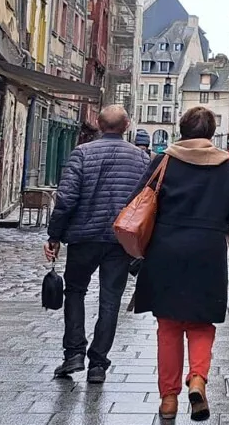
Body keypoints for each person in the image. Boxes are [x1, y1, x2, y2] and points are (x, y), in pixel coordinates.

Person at [131, 107, 229, 421]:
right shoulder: (225, 167)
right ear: (210, 133)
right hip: (207, 253)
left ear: (181, 130)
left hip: (166, 252)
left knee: (168, 326)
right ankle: (197, 379)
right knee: (200, 324)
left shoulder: (164, 161)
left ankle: (168, 399)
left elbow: (139, 199)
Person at [45, 105, 150, 383]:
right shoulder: (140, 159)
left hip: (84, 236)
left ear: (100, 125)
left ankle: (73, 353)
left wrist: (54, 235)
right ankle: (98, 364)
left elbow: (66, 199)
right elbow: (147, 203)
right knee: (110, 299)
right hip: (120, 240)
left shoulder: (82, 153)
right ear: (126, 125)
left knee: (75, 291)